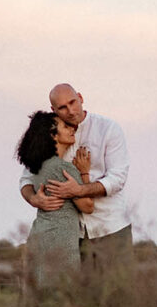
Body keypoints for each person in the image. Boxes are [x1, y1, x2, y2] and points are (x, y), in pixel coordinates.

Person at [20, 84, 132, 270]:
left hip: (110, 227)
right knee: (79, 296)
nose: (70, 111)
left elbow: (117, 178)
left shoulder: (108, 129)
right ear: (53, 110)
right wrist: (34, 199)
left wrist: (79, 190)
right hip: (72, 235)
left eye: (73, 102)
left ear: (80, 98)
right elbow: (26, 179)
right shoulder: (50, 136)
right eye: (62, 107)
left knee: (118, 294)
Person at [15, 110, 94, 287]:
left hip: (40, 236)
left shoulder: (37, 166)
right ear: (53, 135)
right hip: (60, 241)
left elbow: (25, 184)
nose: (72, 129)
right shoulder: (63, 169)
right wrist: (84, 172)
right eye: (65, 126)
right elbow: (88, 206)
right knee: (64, 297)